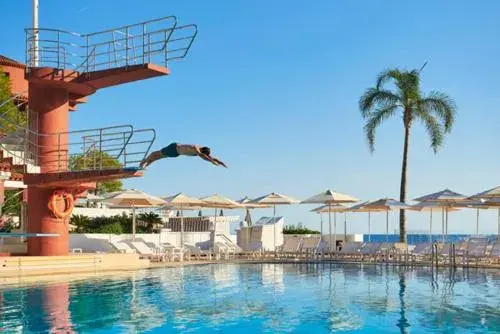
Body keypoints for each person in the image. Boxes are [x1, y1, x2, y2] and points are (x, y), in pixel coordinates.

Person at [140, 143, 227, 168]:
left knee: (154, 154)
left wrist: (219, 162)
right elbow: (209, 157)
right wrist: (214, 162)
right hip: (176, 153)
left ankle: (144, 162)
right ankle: (145, 165)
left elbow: (210, 157)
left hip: (173, 148)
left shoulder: (196, 148)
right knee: (157, 157)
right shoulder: (197, 150)